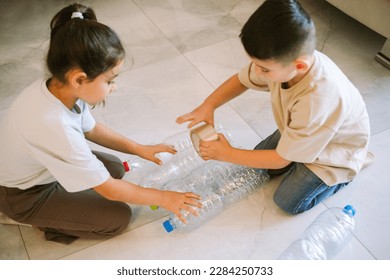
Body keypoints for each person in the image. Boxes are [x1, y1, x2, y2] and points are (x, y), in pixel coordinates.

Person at [0, 3, 201, 244]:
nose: (114, 87)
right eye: (109, 81)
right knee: (116, 218)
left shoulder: (59, 87)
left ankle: (64, 200)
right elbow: (110, 190)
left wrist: (139, 148)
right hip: (24, 195)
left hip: (44, 170)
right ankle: (33, 218)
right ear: (79, 78)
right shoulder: (55, 126)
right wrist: (166, 198)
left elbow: (92, 129)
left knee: (115, 167)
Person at [176, 0, 371, 215]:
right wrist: (209, 105)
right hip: (306, 130)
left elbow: (280, 158)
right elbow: (241, 80)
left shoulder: (316, 101)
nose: (257, 73)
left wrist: (226, 153)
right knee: (257, 163)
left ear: (299, 66)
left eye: (264, 69)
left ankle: (344, 174)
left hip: (333, 153)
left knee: (287, 201)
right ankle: (297, 145)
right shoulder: (284, 64)